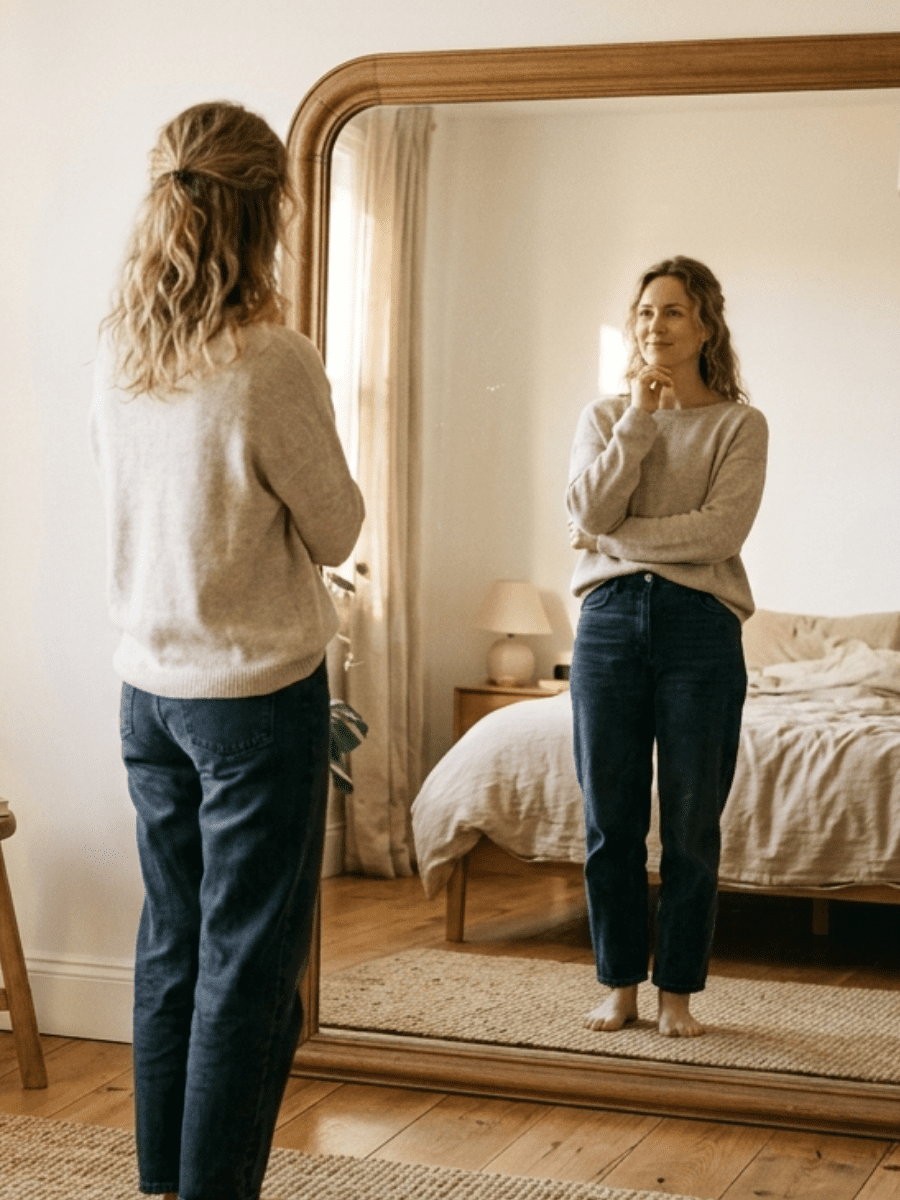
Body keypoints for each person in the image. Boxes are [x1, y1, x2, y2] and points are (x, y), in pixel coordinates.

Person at [89, 102, 364, 1199]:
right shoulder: (271, 360)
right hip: (253, 698)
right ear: (266, 215)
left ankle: (162, 1187)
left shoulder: (120, 348)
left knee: (171, 951)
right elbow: (339, 529)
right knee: (246, 977)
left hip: (146, 692)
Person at [566, 256, 767, 1038]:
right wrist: (639, 423)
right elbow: (587, 503)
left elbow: (720, 531)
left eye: (674, 312)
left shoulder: (739, 425)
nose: (656, 325)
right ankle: (619, 984)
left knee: (689, 823)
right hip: (609, 623)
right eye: (645, 312)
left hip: (700, 627)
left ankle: (676, 991)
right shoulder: (605, 415)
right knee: (609, 821)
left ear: (705, 325)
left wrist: (616, 540)